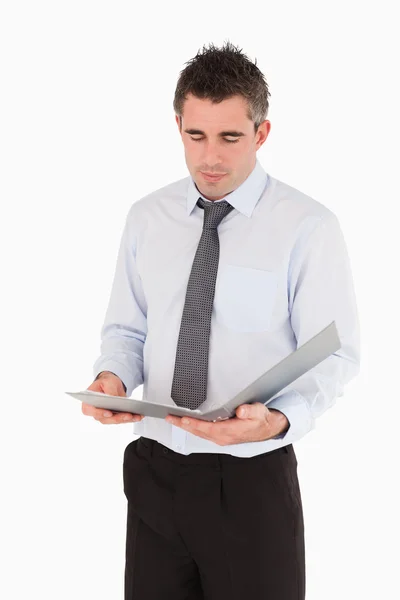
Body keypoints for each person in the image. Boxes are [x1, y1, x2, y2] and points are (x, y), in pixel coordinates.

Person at [82, 41, 360, 600]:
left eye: (230, 137)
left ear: (261, 134)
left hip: (248, 479)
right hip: (154, 473)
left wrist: (279, 422)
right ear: (178, 125)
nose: (210, 157)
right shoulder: (147, 218)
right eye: (196, 135)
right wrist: (112, 377)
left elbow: (335, 353)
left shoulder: (308, 227)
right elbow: (127, 330)